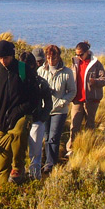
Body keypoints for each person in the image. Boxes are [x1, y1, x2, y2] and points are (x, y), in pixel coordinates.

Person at [0, 40, 38, 185]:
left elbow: (34, 97)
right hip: (0, 119)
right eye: (0, 58)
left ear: (12, 55)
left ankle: (18, 167)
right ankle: (3, 187)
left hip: (20, 115)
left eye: (5, 57)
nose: (3, 61)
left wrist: (18, 112)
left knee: (18, 134)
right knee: (3, 158)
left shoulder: (24, 70)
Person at [37, 44, 76, 174]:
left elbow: (72, 91)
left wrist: (62, 102)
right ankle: (48, 159)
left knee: (54, 137)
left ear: (58, 57)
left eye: (53, 58)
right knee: (46, 136)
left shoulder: (67, 72)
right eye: (48, 57)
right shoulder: (41, 71)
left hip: (59, 110)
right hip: (45, 109)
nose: (51, 60)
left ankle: (51, 163)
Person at [66, 41, 105, 155]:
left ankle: (89, 146)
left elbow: (104, 80)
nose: (79, 56)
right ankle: (71, 148)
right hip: (77, 99)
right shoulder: (75, 63)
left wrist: (95, 82)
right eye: (77, 54)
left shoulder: (96, 64)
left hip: (91, 100)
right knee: (74, 125)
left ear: (87, 52)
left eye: (81, 54)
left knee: (90, 125)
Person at [21, 51, 53, 179]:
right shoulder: (16, 82)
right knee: (19, 152)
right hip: (20, 121)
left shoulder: (40, 82)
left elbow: (48, 102)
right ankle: (21, 176)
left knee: (35, 153)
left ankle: (35, 177)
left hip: (36, 120)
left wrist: (42, 118)